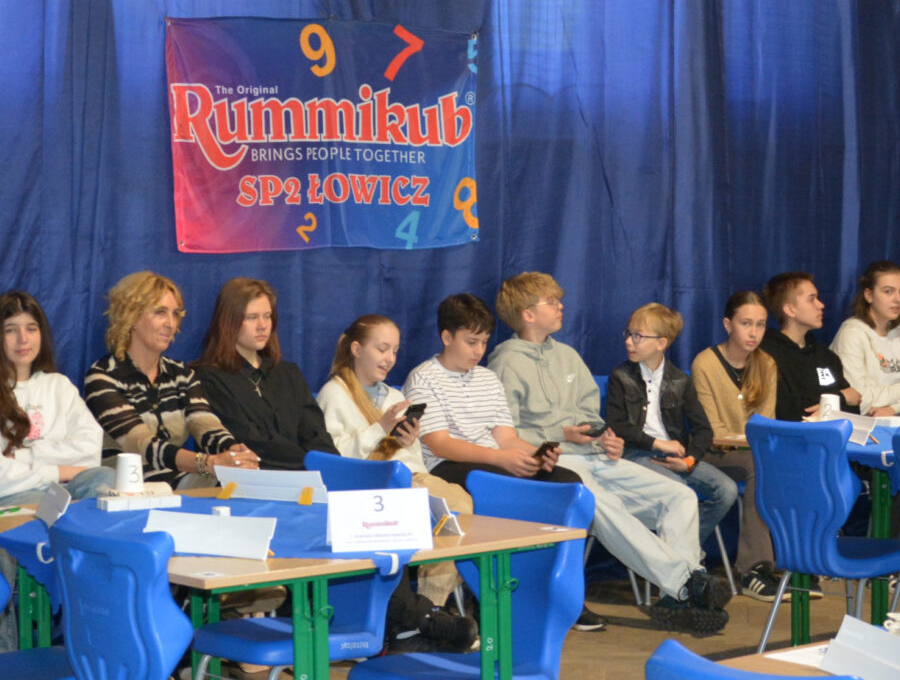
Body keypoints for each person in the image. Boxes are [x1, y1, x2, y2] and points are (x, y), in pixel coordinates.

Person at [485, 273, 724, 634]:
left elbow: (591, 418)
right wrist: (559, 435)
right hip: (554, 464)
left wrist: (605, 439)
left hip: (595, 457)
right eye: (552, 302)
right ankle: (686, 583)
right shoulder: (505, 363)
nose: (561, 306)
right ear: (527, 314)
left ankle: (677, 599)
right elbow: (504, 435)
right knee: (602, 504)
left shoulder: (568, 356)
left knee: (679, 496)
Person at [402, 292, 608, 629]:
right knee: (500, 485)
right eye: (471, 342)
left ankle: (559, 592)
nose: (478, 351)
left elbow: (506, 437)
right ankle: (489, 597)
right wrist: (502, 459)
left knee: (567, 483)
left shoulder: (487, 378)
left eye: (483, 342)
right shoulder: (424, 377)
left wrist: (536, 455)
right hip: (449, 466)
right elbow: (439, 443)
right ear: (446, 337)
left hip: (492, 461)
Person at [316, 313, 476, 648]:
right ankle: (422, 619)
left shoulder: (393, 396)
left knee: (459, 504)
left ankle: (431, 607)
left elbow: (412, 461)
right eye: (382, 349)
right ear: (356, 349)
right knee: (438, 508)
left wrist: (405, 441)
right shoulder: (334, 395)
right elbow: (335, 459)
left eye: (395, 351)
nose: (389, 358)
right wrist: (381, 429)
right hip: (367, 487)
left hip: (409, 478)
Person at [604, 303, 741, 584]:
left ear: (661, 343)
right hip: (637, 454)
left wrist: (689, 461)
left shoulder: (680, 380)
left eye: (638, 336)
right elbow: (618, 426)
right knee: (679, 491)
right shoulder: (621, 376)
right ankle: (683, 566)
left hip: (676, 458)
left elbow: (703, 431)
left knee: (726, 491)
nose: (629, 341)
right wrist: (658, 443)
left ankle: (677, 555)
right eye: (628, 334)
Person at [82, 272, 259, 488]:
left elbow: (205, 424)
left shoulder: (182, 374)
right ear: (131, 317)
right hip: (127, 485)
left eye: (175, 314)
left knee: (241, 484)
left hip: (180, 480)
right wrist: (205, 463)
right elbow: (140, 444)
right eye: (160, 312)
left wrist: (234, 453)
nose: (171, 323)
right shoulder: (102, 376)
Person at [0, 291, 120, 510]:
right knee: (44, 505)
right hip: (2, 497)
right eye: (10, 330)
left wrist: (22, 457)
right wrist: (58, 471)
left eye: (31, 328)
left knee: (106, 477)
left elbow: (89, 451)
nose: (23, 339)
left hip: (62, 489)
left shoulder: (59, 386)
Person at [192, 277, 334, 470]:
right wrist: (311, 464)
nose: (262, 325)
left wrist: (332, 467)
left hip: (310, 477)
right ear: (229, 321)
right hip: (252, 480)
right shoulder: (208, 378)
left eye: (267, 316)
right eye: (252, 317)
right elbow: (251, 443)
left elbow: (316, 435)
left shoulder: (289, 374)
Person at [689, 291, 780, 588]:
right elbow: (712, 431)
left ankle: (800, 561)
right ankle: (754, 568)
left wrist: (756, 439)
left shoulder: (766, 364)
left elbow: (766, 421)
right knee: (758, 464)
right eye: (746, 323)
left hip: (752, 451)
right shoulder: (705, 363)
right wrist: (750, 439)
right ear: (728, 324)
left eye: (761, 325)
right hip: (713, 452)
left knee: (784, 463)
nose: (754, 332)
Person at [830, 262, 900, 416]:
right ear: (869, 295)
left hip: (899, 416)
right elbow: (857, 399)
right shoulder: (852, 334)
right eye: (888, 291)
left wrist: (892, 409)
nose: (897, 299)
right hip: (861, 421)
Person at [758, 271, 852, 420]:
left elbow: (854, 404)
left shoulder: (826, 356)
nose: (821, 305)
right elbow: (787, 412)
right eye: (811, 299)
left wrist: (838, 400)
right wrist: (838, 399)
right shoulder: (766, 355)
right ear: (790, 310)